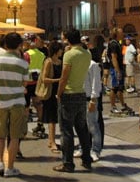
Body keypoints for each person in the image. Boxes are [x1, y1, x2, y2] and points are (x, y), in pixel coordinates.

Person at [53, 28, 93, 173]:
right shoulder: (86, 54)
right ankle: (87, 159)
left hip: (68, 95)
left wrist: (58, 93)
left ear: (68, 40)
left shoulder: (69, 55)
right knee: (82, 129)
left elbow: (64, 77)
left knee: (66, 131)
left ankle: (68, 163)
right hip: (81, 94)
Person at [0, 32, 29, 178]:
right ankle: (10, 167)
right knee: (14, 136)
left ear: (5, 44)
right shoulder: (23, 63)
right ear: (19, 45)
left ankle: (0, 162)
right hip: (17, 102)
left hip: (1, 101)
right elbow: (24, 82)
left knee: (0, 134)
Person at [80, 40, 103, 161]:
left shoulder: (92, 65)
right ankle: (82, 148)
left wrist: (93, 100)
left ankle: (96, 150)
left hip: (90, 98)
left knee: (93, 125)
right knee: (81, 126)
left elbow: (96, 84)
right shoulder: (78, 64)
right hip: (79, 98)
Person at [41, 40, 63, 152]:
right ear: (56, 50)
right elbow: (44, 79)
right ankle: (52, 141)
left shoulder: (60, 61)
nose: (62, 51)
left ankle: (51, 140)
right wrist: (57, 80)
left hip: (58, 92)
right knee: (52, 118)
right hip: (50, 92)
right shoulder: (48, 62)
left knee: (56, 117)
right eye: (60, 49)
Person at [107, 28, 131, 115]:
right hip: (115, 69)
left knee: (120, 88)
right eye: (121, 32)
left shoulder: (118, 43)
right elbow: (114, 57)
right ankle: (113, 107)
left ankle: (123, 105)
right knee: (114, 87)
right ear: (116, 33)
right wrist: (117, 71)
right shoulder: (113, 44)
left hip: (119, 68)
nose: (123, 33)